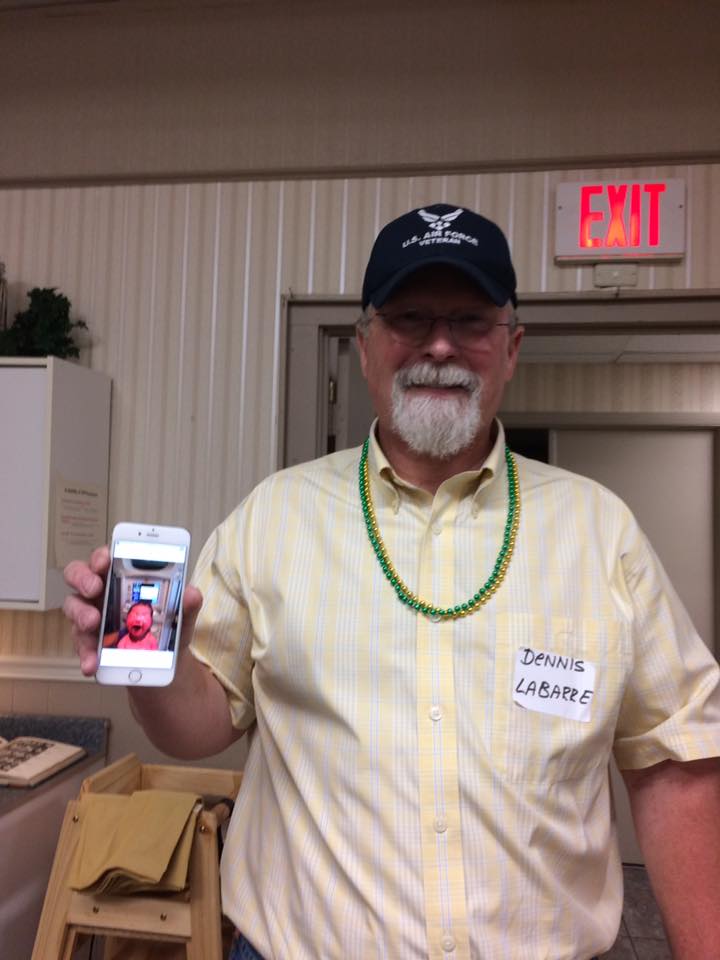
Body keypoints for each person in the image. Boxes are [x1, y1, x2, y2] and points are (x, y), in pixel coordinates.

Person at [64, 204, 720, 960]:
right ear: (364, 347)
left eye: (470, 320)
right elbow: (199, 726)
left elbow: (676, 766)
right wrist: (155, 666)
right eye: (409, 318)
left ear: (511, 346)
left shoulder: (601, 532)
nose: (439, 344)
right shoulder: (273, 516)